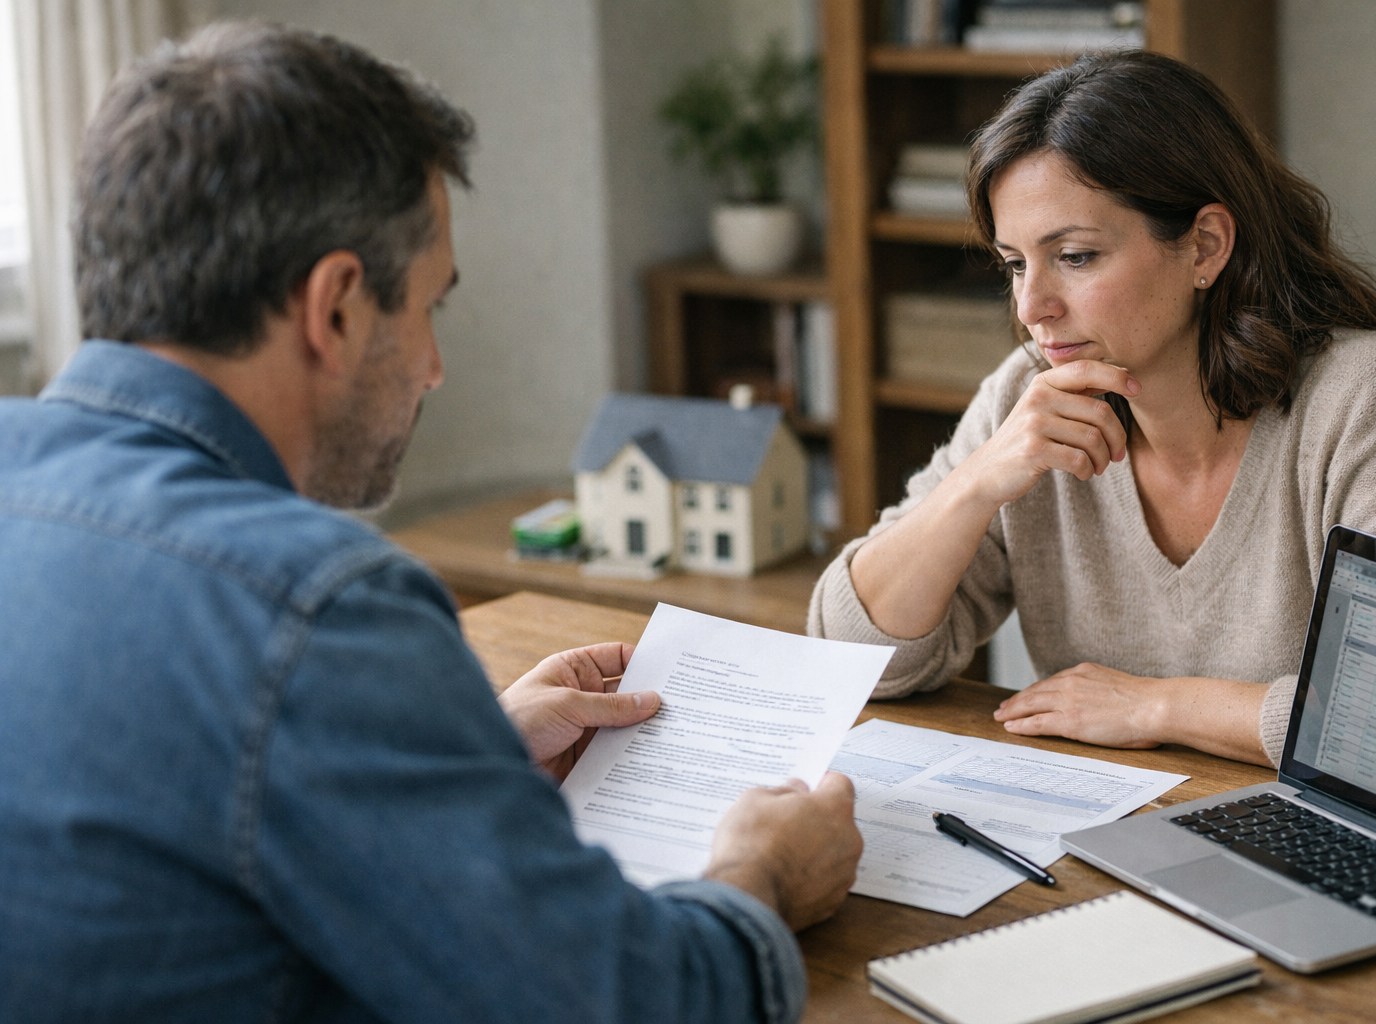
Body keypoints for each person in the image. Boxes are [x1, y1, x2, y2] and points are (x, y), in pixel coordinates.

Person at [0, 23, 861, 1023]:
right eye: (428, 309)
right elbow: (636, 1003)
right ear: (333, 308)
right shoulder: (317, 608)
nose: (435, 367)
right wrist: (760, 872)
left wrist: (453, 756)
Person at [808, 51, 1376, 769]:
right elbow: (855, 662)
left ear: (1205, 245)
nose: (1031, 307)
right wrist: (976, 482)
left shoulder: (1367, 394)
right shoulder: (1028, 397)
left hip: (1324, 846)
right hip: (1114, 831)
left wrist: (1158, 705)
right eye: (1015, 263)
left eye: (1075, 256)